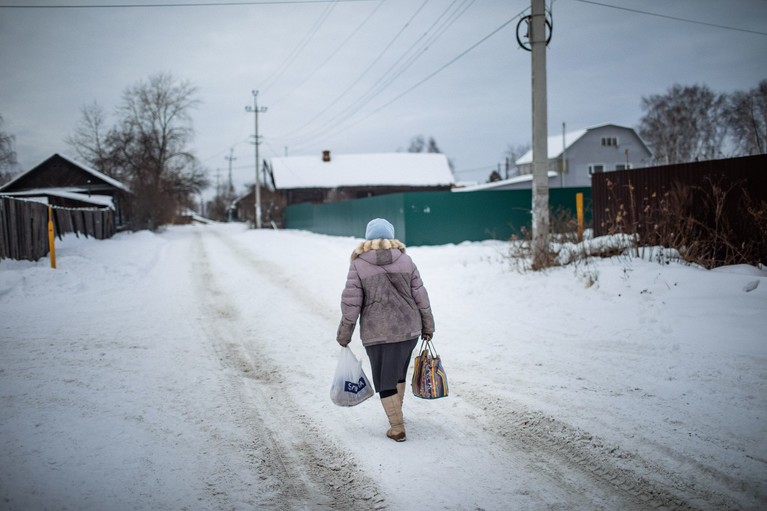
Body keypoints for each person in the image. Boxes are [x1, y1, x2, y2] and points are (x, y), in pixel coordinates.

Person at [336, 218, 435, 442]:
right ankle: (396, 414)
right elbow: (421, 296)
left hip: (377, 332)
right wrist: (428, 325)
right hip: (409, 330)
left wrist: (345, 333)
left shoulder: (359, 264)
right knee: (398, 373)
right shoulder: (406, 261)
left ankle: (397, 426)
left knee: (384, 381)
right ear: (391, 237)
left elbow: (351, 303)